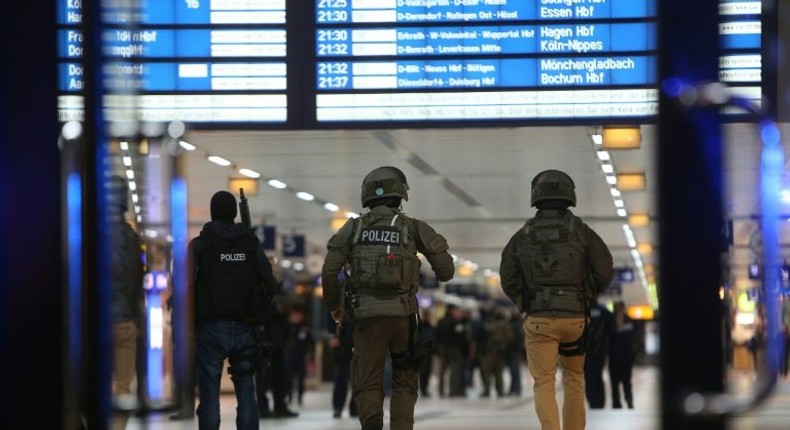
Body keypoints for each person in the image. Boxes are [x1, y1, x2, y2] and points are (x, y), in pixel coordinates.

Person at [322, 166, 455, 430]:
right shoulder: (413, 227)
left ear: (367, 196)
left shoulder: (354, 227)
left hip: (366, 318)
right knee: (405, 380)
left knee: (367, 379)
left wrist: (335, 307)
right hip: (404, 318)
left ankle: (372, 424)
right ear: (401, 195)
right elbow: (447, 270)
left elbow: (329, 270)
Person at [499, 169, 614, 430]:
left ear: (535, 197)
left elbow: (507, 275)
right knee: (574, 378)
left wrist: (523, 300)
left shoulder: (523, 235)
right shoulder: (582, 231)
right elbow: (605, 269)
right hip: (575, 319)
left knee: (544, 382)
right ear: (570, 196)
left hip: (539, 319)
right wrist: (587, 294)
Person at [190, 190, 277, 430]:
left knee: (209, 397)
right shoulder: (250, 243)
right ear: (234, 213)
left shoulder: (200, 245)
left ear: (211, 212)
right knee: (247, 395)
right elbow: (270, 283)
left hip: (209, 329)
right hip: (246, 326)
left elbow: (181, 283)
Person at [107, 175, 145, 430]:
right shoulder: (133, 240)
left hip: (92, 322)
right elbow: (136, 282)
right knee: (123, 385)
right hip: (125, 322)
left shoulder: (86, 232)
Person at [584, 301, 615, 409]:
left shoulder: (583, 310)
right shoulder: (604, 310)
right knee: (598, 376)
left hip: (586, 351)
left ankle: (593, 402)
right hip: (600, 350)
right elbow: (612, 330)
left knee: (588, 377)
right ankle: (599, 403)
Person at [609, 301, 636, 409]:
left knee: (615, 383)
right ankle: (628, 401)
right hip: (626, 358)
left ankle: (616, 404)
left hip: (615, 357)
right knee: (626, 382)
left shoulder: (611, 321)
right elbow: (633, 339)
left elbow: (609, 338)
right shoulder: (629, 320)